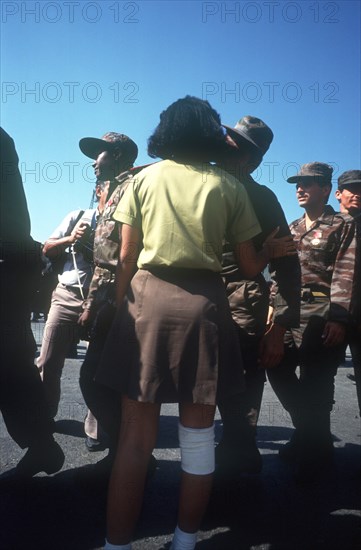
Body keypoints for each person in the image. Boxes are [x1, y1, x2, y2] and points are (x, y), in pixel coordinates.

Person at [94, 96, 297, 550]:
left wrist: (125, 304)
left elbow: (126, 255)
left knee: (134, 437)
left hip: (146, 301)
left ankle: (117, 543)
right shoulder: (230, 187)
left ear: (166, 130)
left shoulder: (144, 178)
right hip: (206, 306)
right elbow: (248, 265)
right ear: (209, 134)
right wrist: (270, 253)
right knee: (198, 437)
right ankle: (186, 542)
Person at [215, 116, 301, 476]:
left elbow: (288, 266)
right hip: (192, 299)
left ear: (250, 159)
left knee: (239, 404)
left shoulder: (262, 199)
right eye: (226, 136)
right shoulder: (196, 182)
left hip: (240, 305)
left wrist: (278, 328)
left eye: (233, 142)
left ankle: (236, 482)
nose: (223, 143)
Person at [267, 162, 357, 483]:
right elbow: (280, 273)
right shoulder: (291, 227)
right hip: (288, 309)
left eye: (308, 183)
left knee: (317, 380)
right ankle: (308, 432)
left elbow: (345, 272)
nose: (300, 189)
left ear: (326, 189)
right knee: (275, 365)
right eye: (297, 183)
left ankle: (315, 452)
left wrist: (339, 318)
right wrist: (271, 310)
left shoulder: (343, 224)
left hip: (322, 310)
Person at [0, 127, 64, 478]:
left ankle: (41, 444)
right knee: (11, 363)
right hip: (10, 264)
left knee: (10, 362)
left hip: (6, 264)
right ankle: (41, 444)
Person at [77, 132, 140, 455]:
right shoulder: (111, 191)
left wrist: (101, 305)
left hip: (123, 299)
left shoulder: (133, 187)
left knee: (95, 377)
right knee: (104, 377)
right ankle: (123, 455)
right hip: (110, 297)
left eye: (99, 154)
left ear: (116, 156)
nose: (93, 161)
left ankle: (127, 456)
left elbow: (118, 257)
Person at [36, 182, 107, 420]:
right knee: (47, 361)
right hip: (68, 294)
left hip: (102, 300)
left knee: (99, 369)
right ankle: (44, 417)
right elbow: (47, 248)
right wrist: (71, 238)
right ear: (99, 191)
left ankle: (95, 427)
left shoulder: (124, 222)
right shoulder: (78, 216)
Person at [335, 170, 361, 416]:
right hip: (330, 315)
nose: (357, 194)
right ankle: (311, 439)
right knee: (317, 379)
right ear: (338, 194)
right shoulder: (327, 226)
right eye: (351, 189)